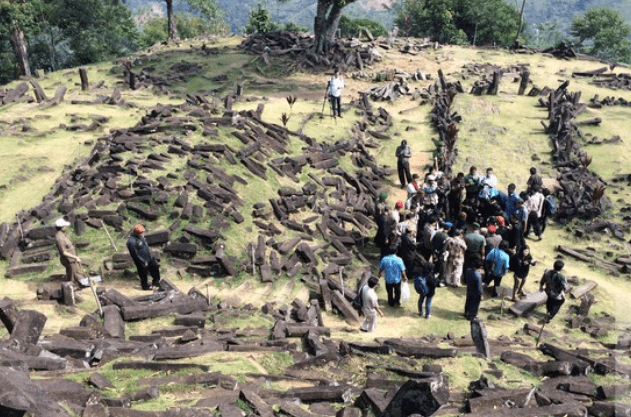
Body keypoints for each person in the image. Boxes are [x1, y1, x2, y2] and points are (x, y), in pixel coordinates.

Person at [54, 218, 88, 287]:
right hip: (68, 260)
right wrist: (75, 257)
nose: (67, 227)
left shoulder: (63, 234)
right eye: (65, 226)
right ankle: (77, 286)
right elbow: (64, 252)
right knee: (76, 274)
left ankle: (83, 283)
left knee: (75, 273)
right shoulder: (60, 238)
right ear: (62, 227)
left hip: (72, 259)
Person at [127, 224, 161, 290]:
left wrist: (151, 256)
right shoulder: (131, 241)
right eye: (140, 232)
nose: (142, 233)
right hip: (140, 259)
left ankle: (156, 281)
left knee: (155, 267)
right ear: (136, 232)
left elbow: (146, 247)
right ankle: (145, 285)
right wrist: (142, 261)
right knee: (143, 272)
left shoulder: (141, 237)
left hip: (149, 257)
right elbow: (134, 254)